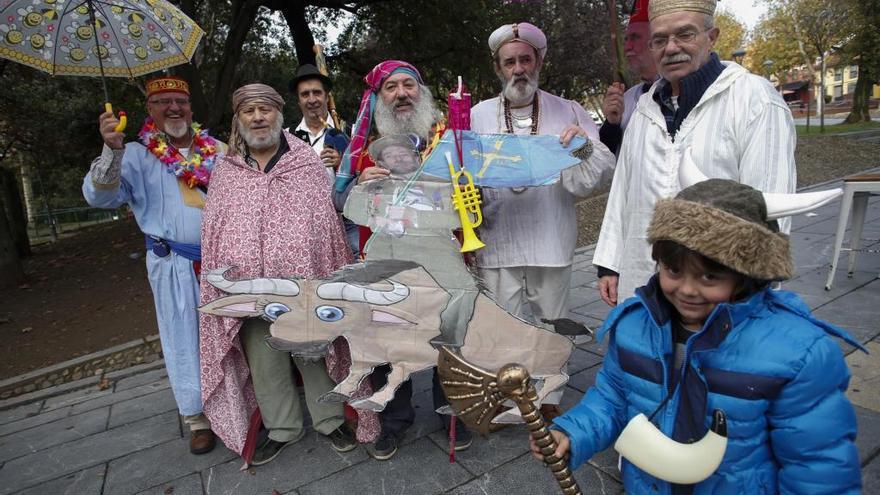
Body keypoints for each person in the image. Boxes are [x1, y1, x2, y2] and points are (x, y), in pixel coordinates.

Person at [535, 171, 862, 493]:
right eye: (674, 270)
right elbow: (614, 399)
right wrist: (572, 433)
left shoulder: (797, 354)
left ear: (746, 273)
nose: (687, 290)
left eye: (709, 277)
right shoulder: (635, 327)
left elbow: (817, 463)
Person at [593, 0, 796, 306]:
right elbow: (623, 190)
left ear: (711, 37)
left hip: (717, 289)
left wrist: (750, 291)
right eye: (660, 40)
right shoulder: (646, 108)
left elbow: (767, 204)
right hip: (641, 280)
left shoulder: (754, 100)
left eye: (685, 35)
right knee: (643, 349)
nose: (671, 48)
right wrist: (609, 263)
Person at [198, 83, 358, 466]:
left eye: (264, 110)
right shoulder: (227, 170)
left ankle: (330, 419)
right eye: (249, 111)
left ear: (278, 115)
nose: (257, 118)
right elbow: (216, 229)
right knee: (263, 357)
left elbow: (324, 224)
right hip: (249, 288)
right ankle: (281, 426)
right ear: (238, 119)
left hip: (303, 287)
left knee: (314, 353)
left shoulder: (305, 163)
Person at [337, 60, 475, 460]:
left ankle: (452, 415)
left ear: (422, 92)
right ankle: (395, 420)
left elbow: (473, 195)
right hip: (386, 264)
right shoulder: (362, 148)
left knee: (448, 336)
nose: (401, 94)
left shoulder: (450, 142)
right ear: (379, 99)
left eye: (409, 85)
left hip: (439, 260)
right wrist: (360, 185)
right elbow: (339, 201)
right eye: (391, 88)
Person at [83, 76, 219, 455]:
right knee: (183, 338)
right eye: (164, 102)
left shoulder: (218, 150)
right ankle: (197, 419)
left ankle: (235, 405)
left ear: (191, 108)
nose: (174, 108)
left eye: (181, 101)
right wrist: (111, 148)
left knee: (227, 337)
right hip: (171, 265)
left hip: (222, 263)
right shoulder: (136, 155)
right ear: (150, 111)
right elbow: (99, 198)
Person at [470, 22, 616, 327]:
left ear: (539, 62)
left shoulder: (570, 110)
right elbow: (462, 175)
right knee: (502, 330)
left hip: (551, 238)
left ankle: (551, 377)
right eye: (510, 62)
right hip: (498, 241)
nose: (519, 68)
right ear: (498, 68)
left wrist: (583, 147)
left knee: (552, 330)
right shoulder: (476, 114)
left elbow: (602, 171)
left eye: (526, 59)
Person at [288, 64, 359, 256]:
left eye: (317, 93)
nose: (312, 99)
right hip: (306, 224)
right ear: (299, 101)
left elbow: (364, 176)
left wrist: (342, 165)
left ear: (326, 97)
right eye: (305, 94)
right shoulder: (287, 138)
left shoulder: (351, 133)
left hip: (347, 221)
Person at [598, 0, 659, 155]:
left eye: (635, 37)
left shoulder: (683, 92)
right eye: (626, 39)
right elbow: (606, 158)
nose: (627, 47)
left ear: (657, 41)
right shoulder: (627, 98)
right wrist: (612, 123)